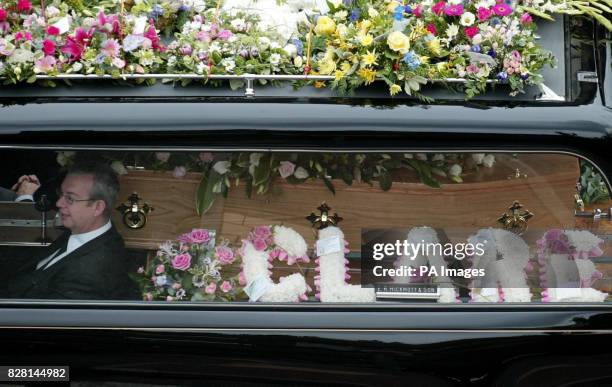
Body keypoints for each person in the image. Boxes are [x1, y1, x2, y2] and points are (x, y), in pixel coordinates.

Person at [5, 163, 138, 300]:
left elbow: (38, 317)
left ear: (98, 207)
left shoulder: (86, 274)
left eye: (70, 198)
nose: (58, 203)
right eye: (61, 195)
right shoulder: (90, 231)